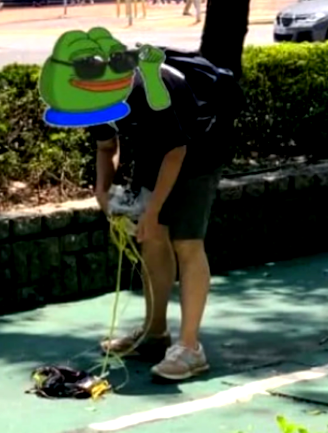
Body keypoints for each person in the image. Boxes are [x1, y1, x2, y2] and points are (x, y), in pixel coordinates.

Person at [88, 53, 235, 381]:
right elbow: (106, 147)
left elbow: (176, 152)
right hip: (156, 149)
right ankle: (155, 335)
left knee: (186, 241)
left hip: (201, 144)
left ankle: (190, 348)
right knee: (152, 237)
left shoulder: (148, 91)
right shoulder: (89, 99)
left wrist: (153, 212)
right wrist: (103, 190)